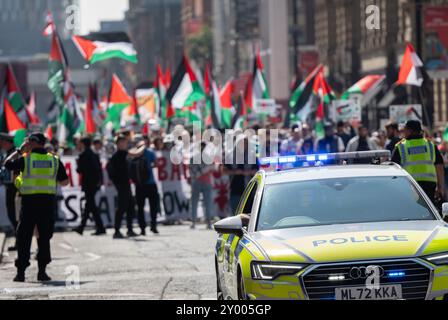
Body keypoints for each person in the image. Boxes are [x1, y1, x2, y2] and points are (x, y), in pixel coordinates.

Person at [4, 133, 69, 282]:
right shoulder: (54, 160)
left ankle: (21, 273)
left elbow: (7, 164)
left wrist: (20, 150)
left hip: (29, 205)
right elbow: (65, 182)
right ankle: (42, 272)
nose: (26, 143)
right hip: (46, 204)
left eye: (28, 141)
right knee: (44, 238)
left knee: (24, 237)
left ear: (34, 142)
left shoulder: (25, 159)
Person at [392, 120, 445, 205]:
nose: (403, 132)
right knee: (429, 211)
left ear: (410, 131)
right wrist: (440, 187)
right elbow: (439, 166)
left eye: (405, 129)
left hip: (409, 184)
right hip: (429, 184)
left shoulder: (401, 147)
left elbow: (394, 169)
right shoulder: (430, 145)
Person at [107, 135, 137, 239]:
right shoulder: (119, 154)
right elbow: (136, 154)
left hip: (126, 183)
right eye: (123, 142)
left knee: (130, 206)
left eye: (125, 142)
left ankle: (129, 229)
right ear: (118, 144)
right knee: (121, 207)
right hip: (122, 184)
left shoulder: (121, 154)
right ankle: (117, 231)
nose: (125, 144)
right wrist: (143, 146)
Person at [74, 137, 106, 236]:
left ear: (83, 144)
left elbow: (80, 170)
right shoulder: (94, 154)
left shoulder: (84, 155)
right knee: (90, 205)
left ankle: (95, 227)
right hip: (94, 184)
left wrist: (78, 164)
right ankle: (83, 227)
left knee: (90, 205)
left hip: (88, 184)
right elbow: (99, 170)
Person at [129, 139, 160, 235]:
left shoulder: (132, 152)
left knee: (140, 208)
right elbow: (156, 164)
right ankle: (153, 226)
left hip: (139, 185)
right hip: (150, 184)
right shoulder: (150, 152)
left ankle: (142, 228)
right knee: (153, 207)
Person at [224, 136, 258, 214]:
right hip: (235, 190)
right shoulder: (230, 156)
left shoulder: (252, 155)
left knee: (249, 214)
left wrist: (248, 172)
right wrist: (235, 172)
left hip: (249, 190)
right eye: (241, 143)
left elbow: (257, 170)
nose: (243, 145)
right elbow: (224, 171)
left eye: (245, 143)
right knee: (236, 214)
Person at [0, 134, 19, 251]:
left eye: (2, 142)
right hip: (9, 187)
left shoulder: (15, 154)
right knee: (12, 216)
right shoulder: (7, 154)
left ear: (8, 142)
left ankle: (19, 241)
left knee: (15, 216)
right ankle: (19, 240)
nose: (1, 144)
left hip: (14, 188)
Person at [190, 142, 215, 230]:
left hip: (205, 181)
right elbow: (192, 170)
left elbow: (213, 168)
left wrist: (200, 172)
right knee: (195, 202)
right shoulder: (195, 157)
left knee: (207, 203)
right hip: (197, 182)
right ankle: (193, 222)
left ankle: (208, 222)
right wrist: (201, 172)